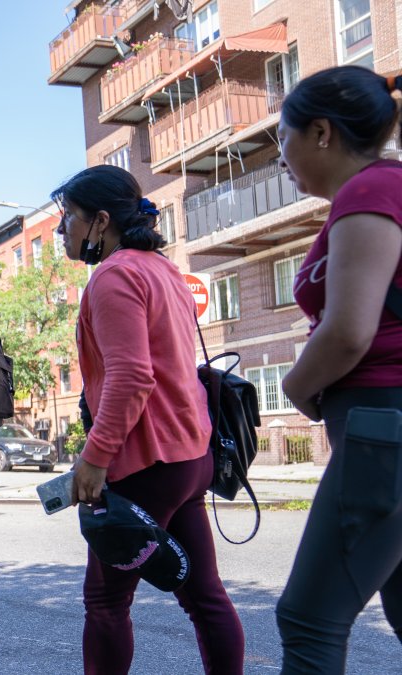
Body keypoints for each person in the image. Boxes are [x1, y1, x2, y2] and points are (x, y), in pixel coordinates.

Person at [54, 165, 244, 674]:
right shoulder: (163, 269)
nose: (62, 228)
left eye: (69, 215)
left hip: (148, 460)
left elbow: (132, 377)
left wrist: (94, 459)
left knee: (106, 601)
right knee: (204, 596)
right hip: (189, 456)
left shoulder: (115, 274)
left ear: (99, 221)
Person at [274, 66, 402, 673]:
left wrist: (296, 385)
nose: (281, 157)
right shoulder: (382, 189)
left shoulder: (371, 192)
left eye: (283, 138)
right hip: (384, 426)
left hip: (384, 428)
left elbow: (350, 330)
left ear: (321, 132)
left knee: (309, 619)